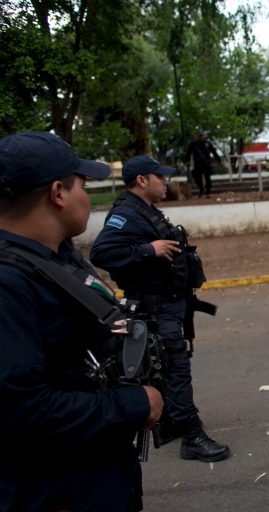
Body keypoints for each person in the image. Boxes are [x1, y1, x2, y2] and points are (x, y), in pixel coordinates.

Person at [0, 132, 163, 511]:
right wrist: (133, 405)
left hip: (94, 476)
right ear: (58, 193)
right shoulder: (8, 284)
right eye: (84, 186)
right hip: (51, 491)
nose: (87, 198)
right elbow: (19, 409)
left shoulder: (54, 256)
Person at [90, 155, 229, 463]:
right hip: (154, 307)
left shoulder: (145, 210)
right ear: (142, 180)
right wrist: (147, 250)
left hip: (169, 303)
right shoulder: (126, 213)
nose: (165, 181)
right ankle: (191, 435)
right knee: (175, 366)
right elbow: (101, 252)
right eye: (160, 176)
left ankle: (170, 421)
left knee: (166, 365)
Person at [186, 131, 222, 198]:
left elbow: (214, 152)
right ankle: (201, 188)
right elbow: (189, 152)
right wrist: (187, 160)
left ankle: (208, 192)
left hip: (207, 163)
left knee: (208, 178)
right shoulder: (194, 143)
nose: (201, 137)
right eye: (200, 136)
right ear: (198, 136)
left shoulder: (207, 143)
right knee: (197, 178)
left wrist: (219, 160)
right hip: (198, 164)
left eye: (202, 135)